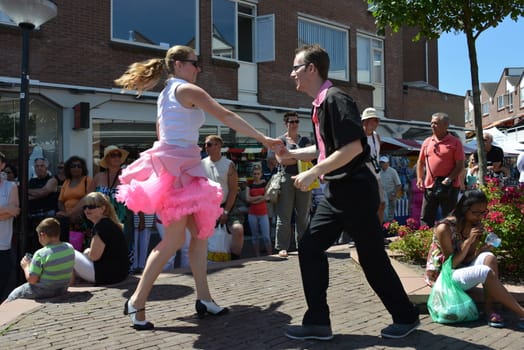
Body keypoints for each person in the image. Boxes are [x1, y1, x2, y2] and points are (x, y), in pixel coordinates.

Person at [113, 45, 280, 330]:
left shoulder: (166, 93)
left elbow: (160, 132)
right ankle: (136, 301)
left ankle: (204, 299)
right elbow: (225, 115)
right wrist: (264, 139)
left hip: (184, 166)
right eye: (194, 63)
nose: (198, 68)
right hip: (180, 169)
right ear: (179, 65)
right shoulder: (186, 90)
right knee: (175, 240)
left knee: (200, 235)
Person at [280, 44, 419, 341]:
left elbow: (354, 147)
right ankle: (318, 322)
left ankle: (405, 316)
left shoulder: (335, 99)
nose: (292, 73)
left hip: (354, 189)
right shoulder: (320, 103)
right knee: (310, 247)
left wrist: (313, 172)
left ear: (311, 69)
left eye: (296, 67)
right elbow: (325, 150)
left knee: (371, 258)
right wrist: (291, 155)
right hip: (340, 190)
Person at [424, 190, 524, 329]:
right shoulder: (444, 227)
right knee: (484, 272)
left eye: (483, 212)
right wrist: (469, 241)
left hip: (460, 270)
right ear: (464, 209)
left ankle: (489, 310)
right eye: (476, 213)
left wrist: (481, 250)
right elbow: (450, 264)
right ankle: (521, 313)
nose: (480, 216)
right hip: (444, 276)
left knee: (489, 258)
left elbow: (468, 259)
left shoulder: (474, 226)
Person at [4, 218, 74, 303]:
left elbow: (32, 280)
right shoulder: (69, 247)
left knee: (13, 294)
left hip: (44, 291)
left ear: (42, 235)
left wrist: (26, 266)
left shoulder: (41, 254)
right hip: (62, 288)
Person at [274, 111, 313, 258]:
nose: (295, 124)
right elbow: (281, 160)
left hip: (304, 178)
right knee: (284, 214)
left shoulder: (305, 140)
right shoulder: (280, 141)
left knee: (303, 214)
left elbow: (311, 157)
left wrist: (292, 156)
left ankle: (303, 245)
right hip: (287, 178)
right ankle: (282, 247)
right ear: (286, 123)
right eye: (292, 122)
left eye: (297, 121)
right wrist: (301, 157)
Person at [416, 112, 464, 228]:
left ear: (446, 125)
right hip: (430, 185)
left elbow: (460, 165)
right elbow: (420, 162)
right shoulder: (427, 142)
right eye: (431, 123)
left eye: (436, 123)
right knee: (426, 217)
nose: (432, 125)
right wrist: (419, 178)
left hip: (449, 186)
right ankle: (425, 241)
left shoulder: (455, 142)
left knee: (450, 217)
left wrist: (449, 178)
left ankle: (451, 241)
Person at [201, 135, 245, 259]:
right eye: (205, 144)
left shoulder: (228, 164)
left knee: (238, 230)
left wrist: (225, 211)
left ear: (218, 146)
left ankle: (234, 259)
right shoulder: (201, 164)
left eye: (209, 144)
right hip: (208, 207)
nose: (206, 147)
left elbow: (232, 191)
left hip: (227, 205)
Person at [73, 192, 129, 285]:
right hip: (118, 274)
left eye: (91, 206)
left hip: (107, 276)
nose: (87, 209)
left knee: (68, 250)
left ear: (103, 208)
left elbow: (94, 257)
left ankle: (66, 283)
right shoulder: (107, 223)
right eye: (85, 207)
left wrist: (88, 252)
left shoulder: (102, 226)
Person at [88, 145, 129, 223]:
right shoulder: (98, 177)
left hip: (123, 219)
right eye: (113, 155)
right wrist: (72, 213)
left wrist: (141, 218)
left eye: (119, 155)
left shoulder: (127, 176)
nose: (117, 157)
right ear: (106, 159)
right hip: (100, 219)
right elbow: (88, 199)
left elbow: (137, 197)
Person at [56, 156, 93, 243]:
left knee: (81, 245)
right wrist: (66, 214)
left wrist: (72, 214)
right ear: (69, 168)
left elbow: (87, 199)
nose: (76, 168)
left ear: (83, 168)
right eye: (73, 166)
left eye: (79, 166)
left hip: (82, 218)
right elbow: (60, 201)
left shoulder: (87, 180)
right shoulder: (66, 181)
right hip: (67, 220)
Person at [0, 152, 20, 302]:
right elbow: (9, 210)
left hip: (3, 244)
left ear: (2, 165)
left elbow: (15, 211)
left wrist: (9, 210)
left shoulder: (11, 186)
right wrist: (5, 209)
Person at [27, 157, 58, 252]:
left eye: (42, 166)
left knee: (47, 247)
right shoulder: (31, 182)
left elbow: (43, 192)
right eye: (37, 166)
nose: (39, 168)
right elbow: (25, 197)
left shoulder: (52, 180)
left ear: (46, 167)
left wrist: (26, 190)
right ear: (34, 168)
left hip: (47, 218)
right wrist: (38, 194)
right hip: (32, 218)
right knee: (33, 246)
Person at [361, 107, 386, 223]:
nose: (377, 123)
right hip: (362, 177)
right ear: (366, 121)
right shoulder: (358, 135)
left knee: (381, 203)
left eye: (377, 120)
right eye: (375, 120)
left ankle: (378, 234)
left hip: (376, 176)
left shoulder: (376, 136)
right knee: (364, 206)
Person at [245, 163, 272, 257]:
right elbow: (247, 199)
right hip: (252, 213)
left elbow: (268, 197)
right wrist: (261, 197)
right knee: (254, 236)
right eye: (255, 173)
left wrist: (255, 199)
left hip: (263, 213)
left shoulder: (264, 183)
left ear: (261, 174)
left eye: (258, 173)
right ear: (252, 174)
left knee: (266, 237)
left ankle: (270, 254)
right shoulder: (250, 185)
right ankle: (257, 255)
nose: (256, 175)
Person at [379, 155, 402, 223]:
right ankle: (383, 226)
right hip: (382, 196)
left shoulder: (393, 171)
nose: (382, 164)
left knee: (390, 214)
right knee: (382, 213)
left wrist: (393, 194)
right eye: (381, 163)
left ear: (388, 163)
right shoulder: (379, 171)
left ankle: (389, 229)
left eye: (384, 163)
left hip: (391, 195)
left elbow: (399, 185)